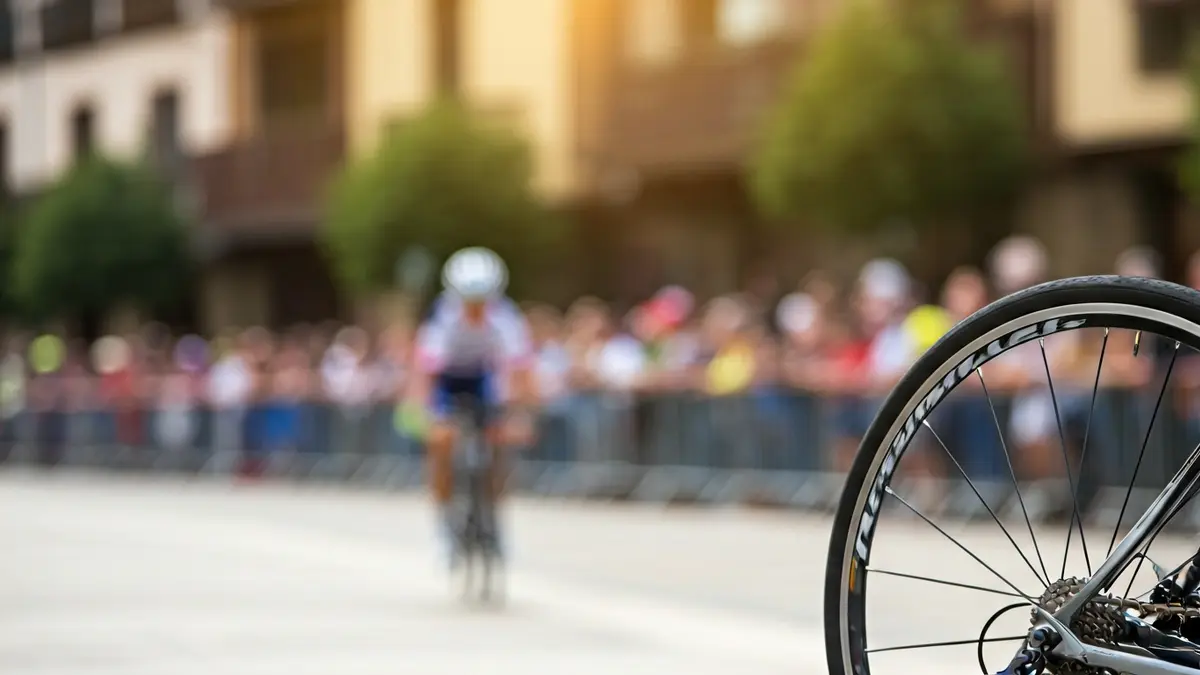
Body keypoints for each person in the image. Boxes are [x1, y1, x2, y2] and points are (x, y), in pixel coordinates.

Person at [411, 247, 535, 569]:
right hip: (448, 381)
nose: (475, 307)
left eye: (482, 300)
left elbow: (520, 372)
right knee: (441, 445)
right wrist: (428, 417)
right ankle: (443, 528)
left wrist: (519, 416)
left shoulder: (506, 318)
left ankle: (496, 521)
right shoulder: (441, 317)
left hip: (484, 378)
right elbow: (425, 373)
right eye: (469, 300)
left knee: (498, 447)